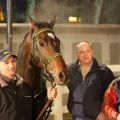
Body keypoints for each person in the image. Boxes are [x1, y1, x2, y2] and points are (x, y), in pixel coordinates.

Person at [0, 48, 57, 120]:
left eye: (13, 61)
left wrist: (48, 98)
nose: (11, 66)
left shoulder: (25, 87)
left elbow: (36, 113)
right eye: (6, 63)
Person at [67, 41, 115, 120]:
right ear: (77, 54)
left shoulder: (103, 71)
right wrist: (51, 91)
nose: (85, 55)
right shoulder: (70, 69)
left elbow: (112, 96)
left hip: (97, 117)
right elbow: (58, 79)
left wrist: (106, 112)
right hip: (76, 117)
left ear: (92, 52)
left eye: (88, 51)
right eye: (81, 52)